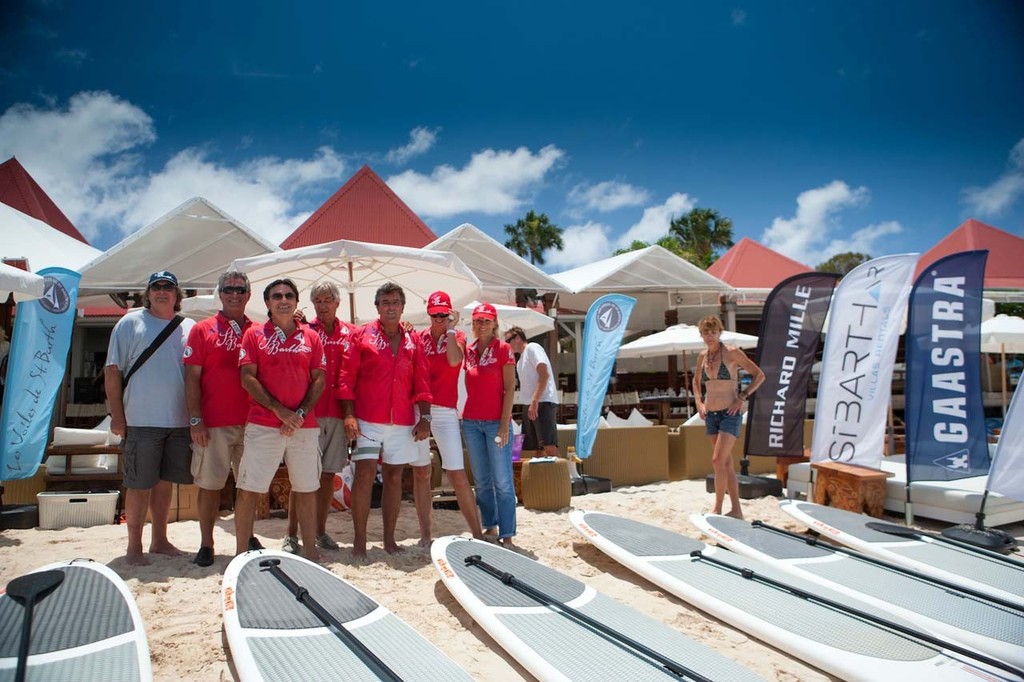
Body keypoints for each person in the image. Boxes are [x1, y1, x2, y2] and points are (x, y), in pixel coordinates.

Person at [104, 271, 196, 566]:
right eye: (156, 287)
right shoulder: (130, 322)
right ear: (148, 292)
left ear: (177, 295)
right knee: (138, 484)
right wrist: (117, 416)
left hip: (178, 421)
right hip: (140, 420)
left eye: (168, 287)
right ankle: (134, 547)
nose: (161, 292)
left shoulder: (189, 327)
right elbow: (112, 372)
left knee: (165, 483)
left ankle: (160, 540)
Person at [234, 279, 326, 561]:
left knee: (307, 488)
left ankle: (311, 553)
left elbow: (319, 378)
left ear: (297, 302)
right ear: (268, 303)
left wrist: (297, 413)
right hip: (264, 423)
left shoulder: (311, 337)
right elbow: (247, 378)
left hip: (303, 426)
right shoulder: (253, 335)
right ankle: (240, 554)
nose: (283, 300)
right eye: (277, 296)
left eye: (288, 295)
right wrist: (278, 410)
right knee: (249, 488)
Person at [338, 282, 432, 558]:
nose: (391, 307)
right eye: (386, 302)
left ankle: (389, 540)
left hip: (402, 421)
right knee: (364, 475)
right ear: (377, 307)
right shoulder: (361, 335)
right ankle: (359, 542)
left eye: (395, 302)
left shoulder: (414, 341)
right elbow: (346, 378)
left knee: (394, 477)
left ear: (403, 307)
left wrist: (425, 417)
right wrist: (349, 415)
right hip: (367, 419)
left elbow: (422, 382)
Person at [184, 271, 253, 567]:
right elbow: (191, 378)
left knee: (249, 486)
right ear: (220, 294)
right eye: (229, 289)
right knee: (210, 486)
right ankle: (207, 543)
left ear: (248, 294)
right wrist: (196, 420)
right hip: (214, 423)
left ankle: (246, 538)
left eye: (240, 289)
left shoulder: (259, 330)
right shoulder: (202, 329)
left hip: (253, 423)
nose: (234, 294)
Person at [282, 281, 354, 555]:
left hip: (337, 413)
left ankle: (320, 531)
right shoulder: (303, 329)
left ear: (337, 303)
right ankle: (291, 534)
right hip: (307, 415)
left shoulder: (351, 332)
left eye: (327, 300)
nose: (323, 305)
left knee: (327, 477)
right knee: (301, 478)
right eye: (318, 301)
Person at [415, 291, 484, 541]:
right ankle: (425, 535)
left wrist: (453, 330)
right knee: (421, 472)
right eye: (435, 314)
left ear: (451, 313)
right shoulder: (419, 338)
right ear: (429, 314)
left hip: (445, 410)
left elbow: (455, 362)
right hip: (420, 409)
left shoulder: (458, 336)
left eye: (444, 314)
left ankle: (477, 533)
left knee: (457, 473)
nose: (439, 319)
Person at [692, 315, 765, 519]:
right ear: (701, 335)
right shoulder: (702, 357)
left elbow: (759, 375)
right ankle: (737, 511)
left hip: (730, 414)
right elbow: (696, 382)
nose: (710, 336)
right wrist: (699, 402)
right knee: (725, 463)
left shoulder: (732, 352)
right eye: (706, 333)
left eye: (713, 332)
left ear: (719, 332)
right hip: (712, 415)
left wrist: (741, 397)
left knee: (717, 459)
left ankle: (717, 507)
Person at [463, 303, 517, 546]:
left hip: (497, 423)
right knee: (482, 480)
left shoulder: (503, 349)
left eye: (486, 320)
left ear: (494, 323)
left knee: (503, 481)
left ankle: (507, 534)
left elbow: (509, 390)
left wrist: (504, 425)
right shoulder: (469, 350)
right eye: (477, 321)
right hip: (472, 423)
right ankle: (490, 525)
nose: (481, 325)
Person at [505, 326, 561, 458]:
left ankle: (561, 477)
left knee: (549, 445)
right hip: (529, 404)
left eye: (508, 341)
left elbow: (544, 374)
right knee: (536, 448)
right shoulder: (519, 361)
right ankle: (541, 477)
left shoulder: (532, 348)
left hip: (542, 401)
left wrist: (535, 401)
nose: (506, 345)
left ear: (517, 338)